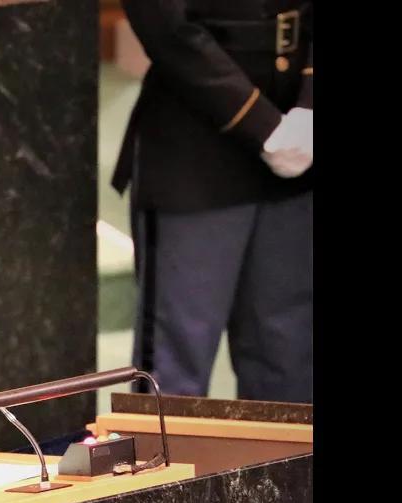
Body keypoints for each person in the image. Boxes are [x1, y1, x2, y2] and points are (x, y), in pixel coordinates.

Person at [113, 1, 313, 402]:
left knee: (289, 359)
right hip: (197, 148)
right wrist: (262, 126)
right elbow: (166, 27)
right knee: (175, 367)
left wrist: (309, 110)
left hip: (302, 140)